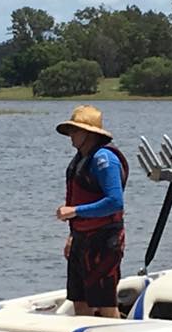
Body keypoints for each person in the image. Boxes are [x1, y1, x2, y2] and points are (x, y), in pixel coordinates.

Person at [54, 105, 129, 318]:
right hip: (81, 238)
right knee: (79, 299)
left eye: (75, 131)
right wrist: (71, 236)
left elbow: (115, 202)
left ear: (88, 133)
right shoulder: (80, 159)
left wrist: (75, 211)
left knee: (105, 302)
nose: (71, 136)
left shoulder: (105, 159)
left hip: (104, 240)